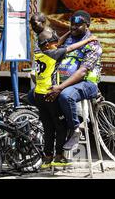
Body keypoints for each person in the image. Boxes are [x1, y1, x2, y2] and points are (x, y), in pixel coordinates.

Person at [34, 28, 97, 168]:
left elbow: (57, 43)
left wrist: (68, 32)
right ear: (47, 45)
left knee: (48, 127)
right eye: (53, 42)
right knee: (60, 126)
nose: (57, 43)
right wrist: (88, 40)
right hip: (50, 94)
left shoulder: (39, 52)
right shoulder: (53, 54)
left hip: (38, 94)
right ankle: (59, 156)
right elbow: (70, 47)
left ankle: (47, 158)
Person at [45, 10, 102, 151]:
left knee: (66, 95)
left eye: (78, 25)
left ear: (87, 25)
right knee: (36, 95)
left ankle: (76, 130)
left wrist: (60, 88)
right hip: (63, 82)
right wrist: (69, 32)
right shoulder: (70, 39)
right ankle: (60, 126)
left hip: (86, 84)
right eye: (71, 24)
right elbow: (55, 46)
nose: (73, 27)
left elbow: (82, 72)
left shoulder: (93, 43)